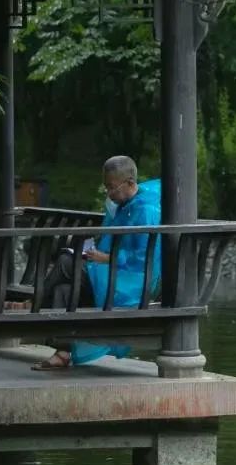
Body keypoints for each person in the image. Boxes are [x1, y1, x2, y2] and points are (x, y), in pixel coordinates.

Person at [31, 155, 161, 370]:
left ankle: (33, 308)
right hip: (109, 270)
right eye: (106, 188)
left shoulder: (146, 210)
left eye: (112, 188)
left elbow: (143, 258)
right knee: (63, 290)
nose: (109, 193)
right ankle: (62, 353)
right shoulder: (123, 205)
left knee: (65, 261)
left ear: (129, 183)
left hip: (130, 282)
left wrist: (106, 258)